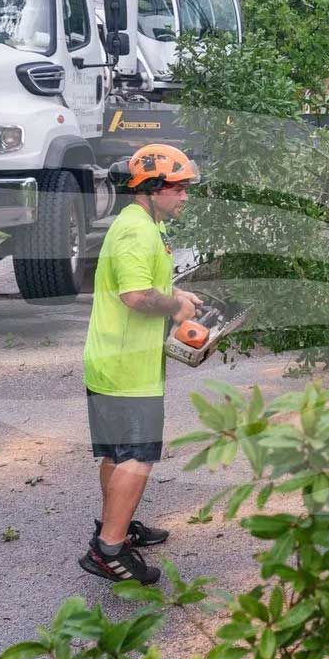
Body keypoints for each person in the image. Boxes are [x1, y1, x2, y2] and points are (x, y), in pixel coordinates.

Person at [78, 143, 204, 585]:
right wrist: (176, 307)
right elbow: (135, 296)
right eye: (178, 187)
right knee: (138, 456)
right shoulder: (137, 231)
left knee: (116, 453)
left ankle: (116, 524)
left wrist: (179, 298)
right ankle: (108, 550)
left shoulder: (140, 224)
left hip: (114, 363)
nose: (185, 195)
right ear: (150, 187)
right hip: (127, 372)